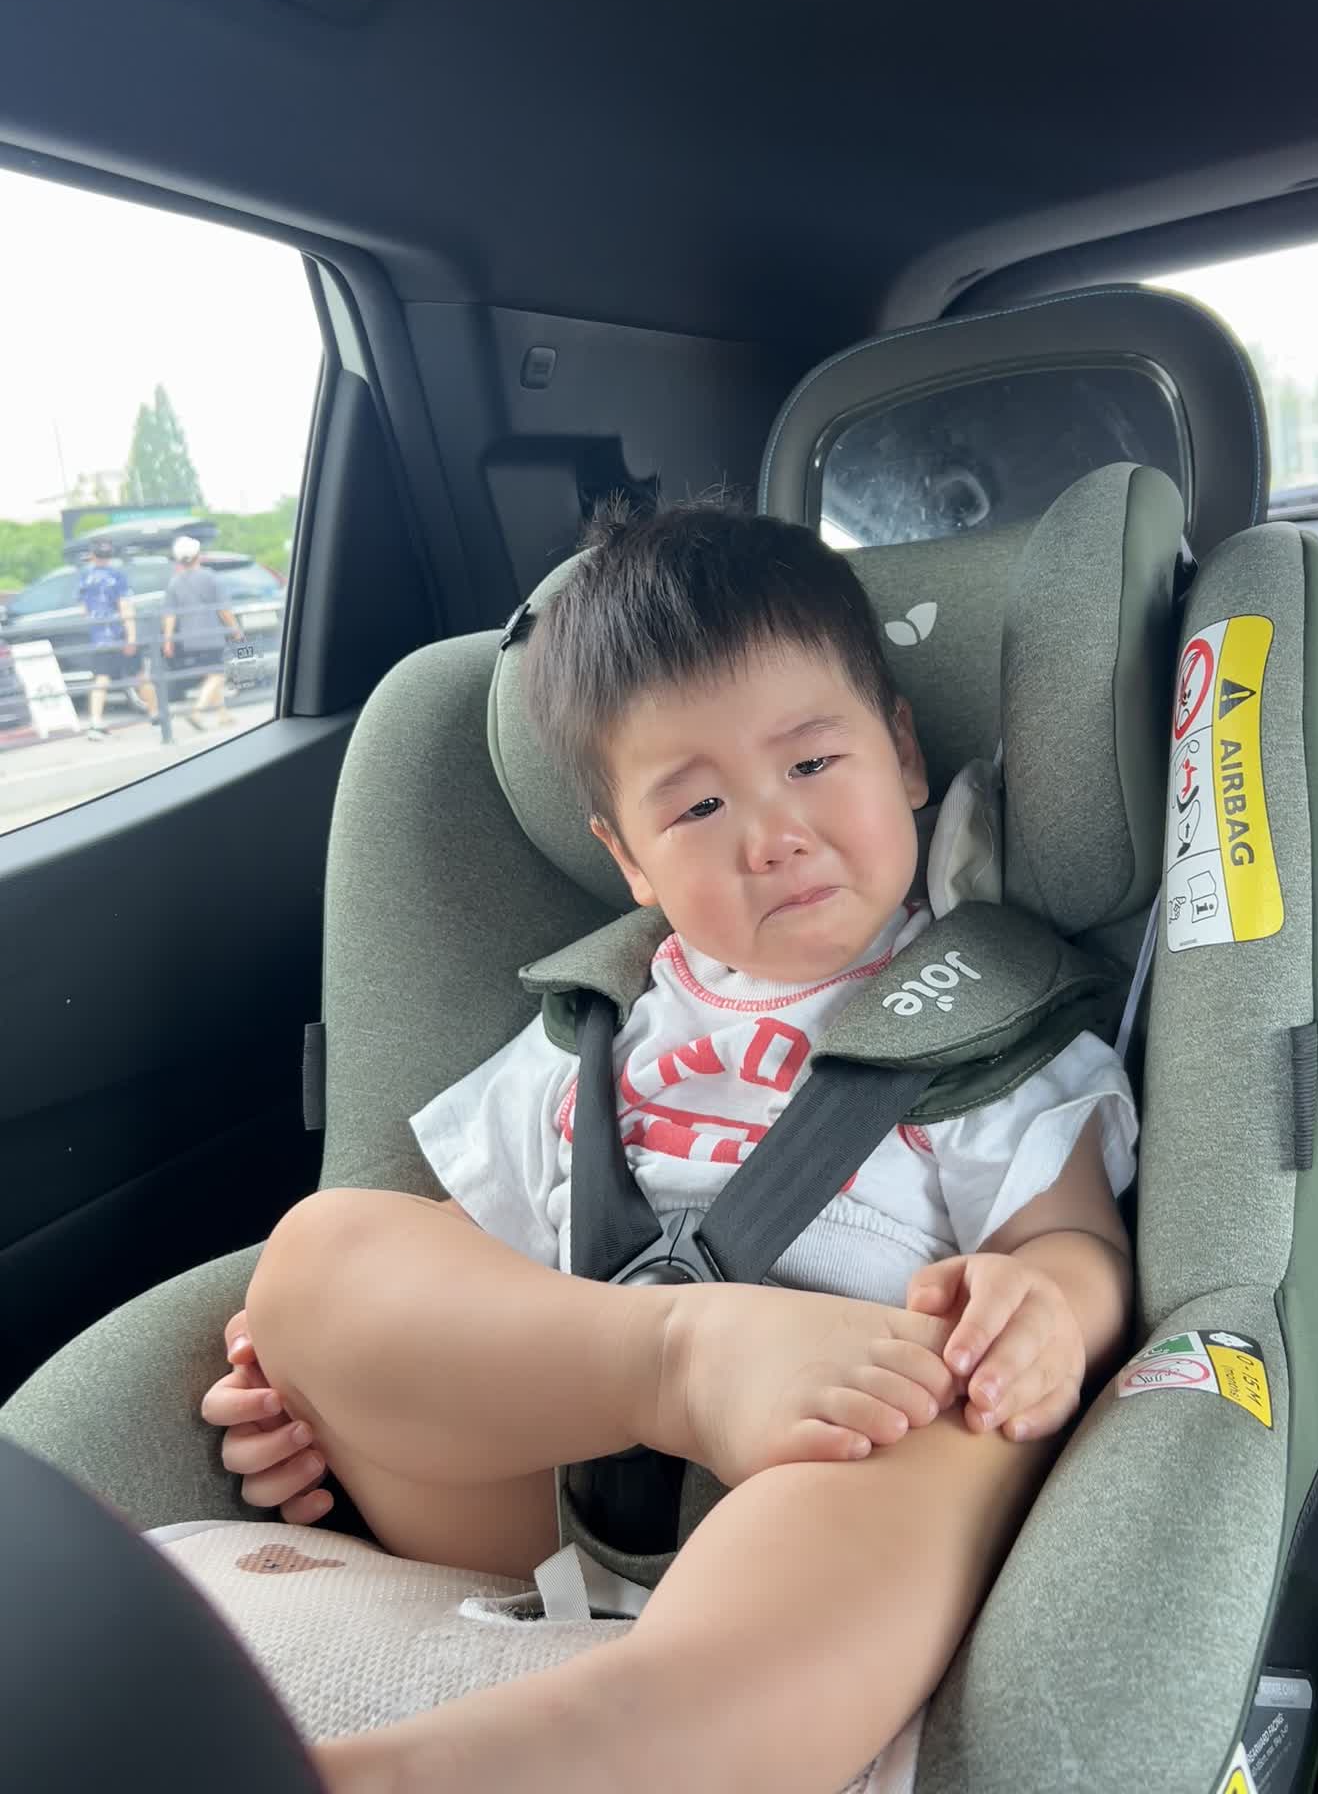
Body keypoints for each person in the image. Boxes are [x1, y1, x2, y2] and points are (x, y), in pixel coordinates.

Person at [201, 501, 1138, 1794]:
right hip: (557, 1483)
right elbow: (472, 1270)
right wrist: (323, 1376)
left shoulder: (981, 1022)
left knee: (957, 1427)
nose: (773, 833)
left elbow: (1075, 1241)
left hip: (843, 1466)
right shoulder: (594, 1028)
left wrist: (1042, 1304)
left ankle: (499, 1761)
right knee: (319, 1252)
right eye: (697, 806)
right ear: (628, 859)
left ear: (905, 753)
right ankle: (683, 1362)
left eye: (814, 764)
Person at [75, 537, 160, 739]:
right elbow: (125, 607)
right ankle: (155, 713)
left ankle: (95, 722)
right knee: (139, 675)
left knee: (101, 678)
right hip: (120, 634)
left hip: (99, 637)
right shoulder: (117, 576)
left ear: (92, 554)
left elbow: (83, 610)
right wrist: (131, 636)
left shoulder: (85, 577)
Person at [161, 534, 243, 733]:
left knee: (211, 674)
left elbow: (169, 614)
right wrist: (235, 630)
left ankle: (223, 715)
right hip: (211, 634)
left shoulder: (174, 582)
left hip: (189, 639)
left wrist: (168, 640)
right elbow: (223, 609)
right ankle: (197, 712)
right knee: (218, 674)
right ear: (198, 555)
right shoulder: (210, 577)